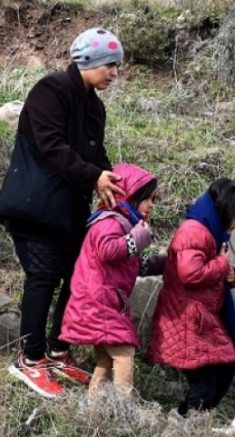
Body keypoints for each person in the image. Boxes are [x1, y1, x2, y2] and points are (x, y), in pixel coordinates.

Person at [0, 28, 128, 398]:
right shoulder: (50, 90)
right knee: (42, 276)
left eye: (116, 66)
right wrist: (94, 176)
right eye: (110, 65)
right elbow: (51, 146)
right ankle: (29, 359)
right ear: (89, 61)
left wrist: (112, 182)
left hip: (69, 209)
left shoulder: (94, 105)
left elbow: (94, 154)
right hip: (34, 205)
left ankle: (56, 352)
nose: (114, 73)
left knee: (74, 278)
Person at [59, 164, 166, 402]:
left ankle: (93, 405)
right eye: (147, 198)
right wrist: (139, 238)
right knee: (124, 352)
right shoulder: (109, 221)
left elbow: (131, 264)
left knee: (108, 357)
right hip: (100, 301)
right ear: (129, 196)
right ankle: (123, 409)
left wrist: (165, 263)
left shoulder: (123, 222)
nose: (151, 205)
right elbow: (109, 251)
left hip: (105, 300)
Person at [147, 178, 235, 416]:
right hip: (187, 318)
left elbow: (215, 269)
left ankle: (185, 417)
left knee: (224, 369)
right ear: (222, 209)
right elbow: (190, 274)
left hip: (199, 318)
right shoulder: (195, 231)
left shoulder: (211, 231)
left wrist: (230, 273)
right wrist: (222, 266)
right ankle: (189, 424)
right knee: (205, 384)